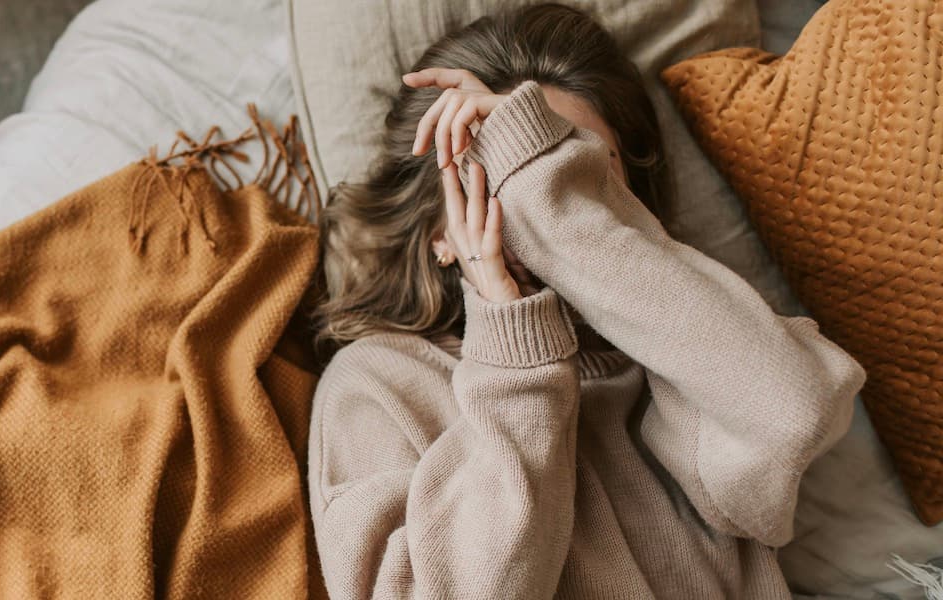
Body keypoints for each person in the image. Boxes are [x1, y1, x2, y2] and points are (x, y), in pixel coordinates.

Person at [307, 3, 867, 598]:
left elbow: (794, 409)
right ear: (439, 230)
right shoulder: (378, 383)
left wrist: (566, 215)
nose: (532, 210)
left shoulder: (683, 358)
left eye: (574, 177)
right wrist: (515, 352)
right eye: (493, 177)